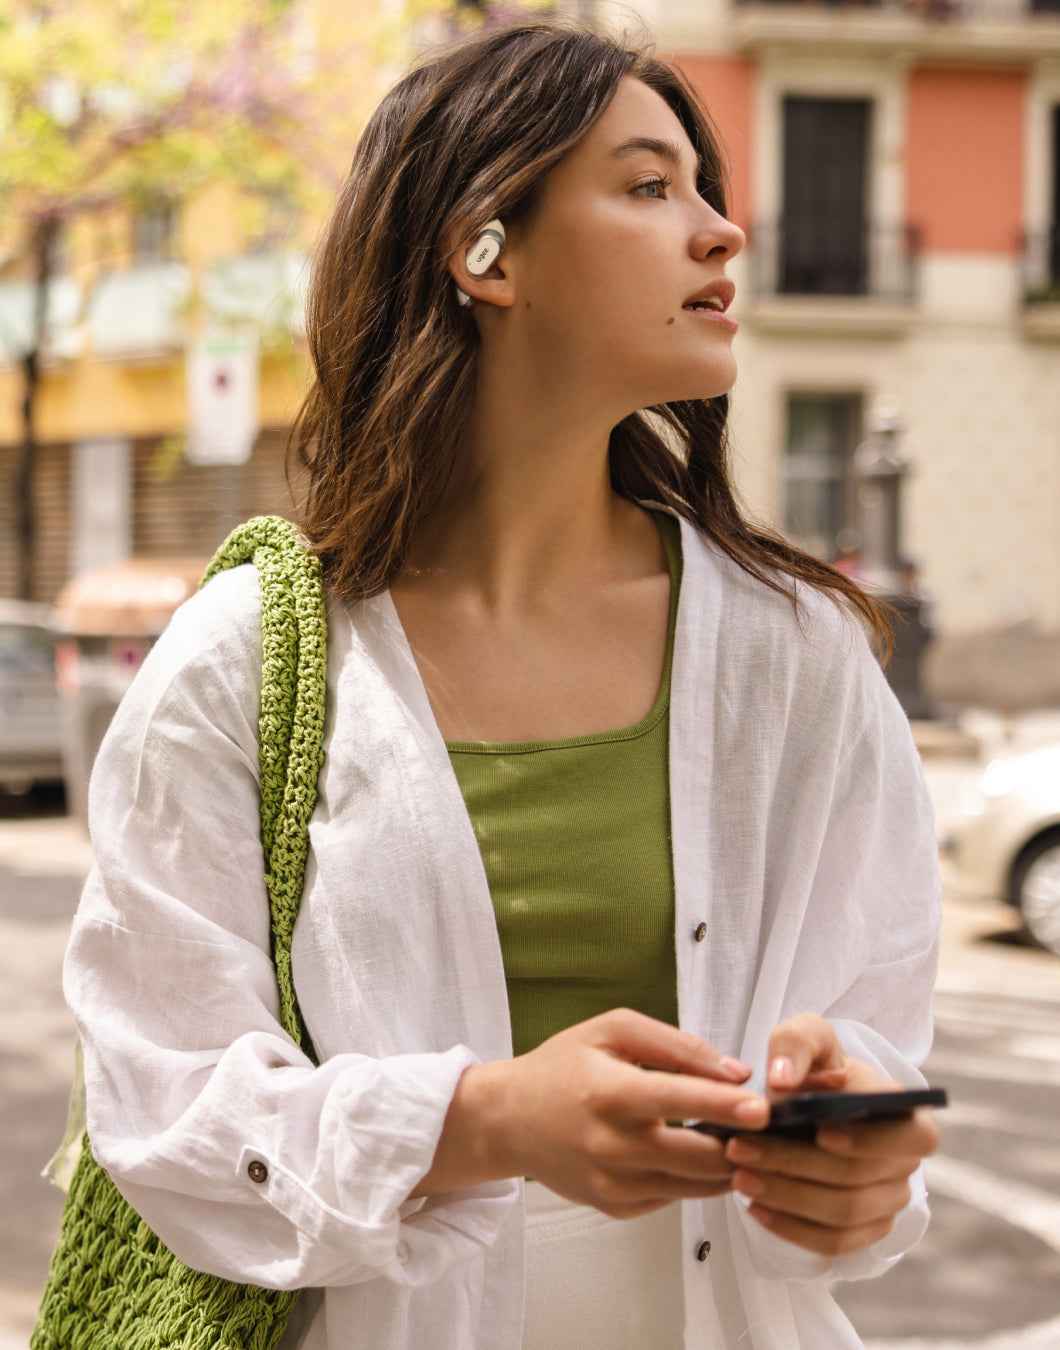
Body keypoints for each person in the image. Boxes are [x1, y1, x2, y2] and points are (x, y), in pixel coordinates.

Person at [63, 23, 942, 1350]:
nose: (722, 234)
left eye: (703, 189)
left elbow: (881, 1028)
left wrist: (854, 1151)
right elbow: (159, 1099)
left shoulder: (797, 655)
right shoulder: (240, 661)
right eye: (651, 187)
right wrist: (484, 1120)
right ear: (485, 251)